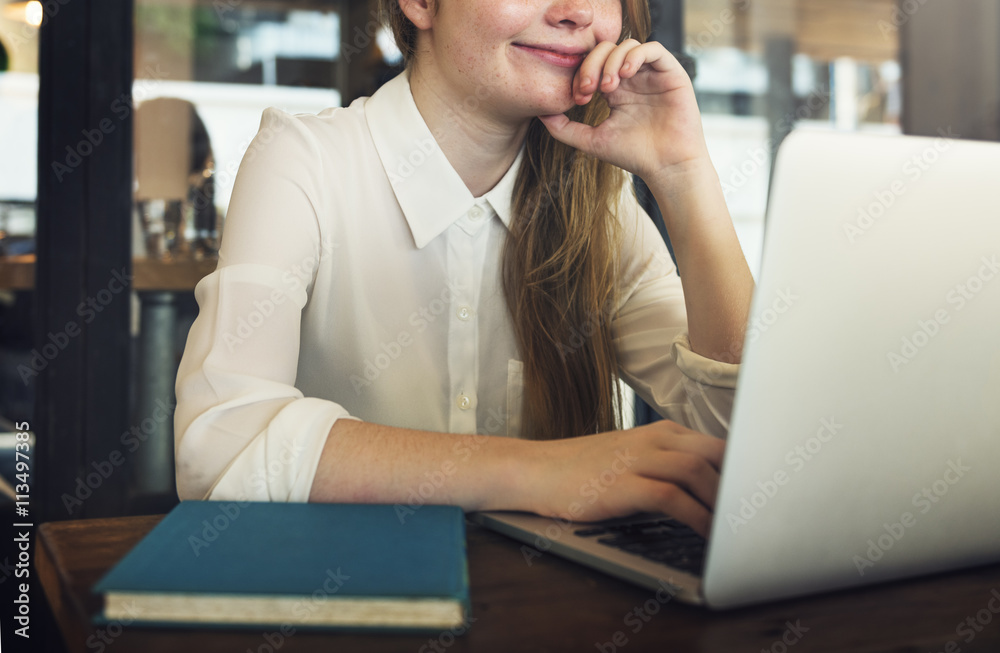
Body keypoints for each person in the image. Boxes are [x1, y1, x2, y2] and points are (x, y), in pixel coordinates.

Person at [174, 0, 754, 538]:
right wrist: (540, 471)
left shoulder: (598, 206)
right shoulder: (305, 161)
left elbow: (744, 439)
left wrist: (682, 172)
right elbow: (223, 450)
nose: (577, 12)